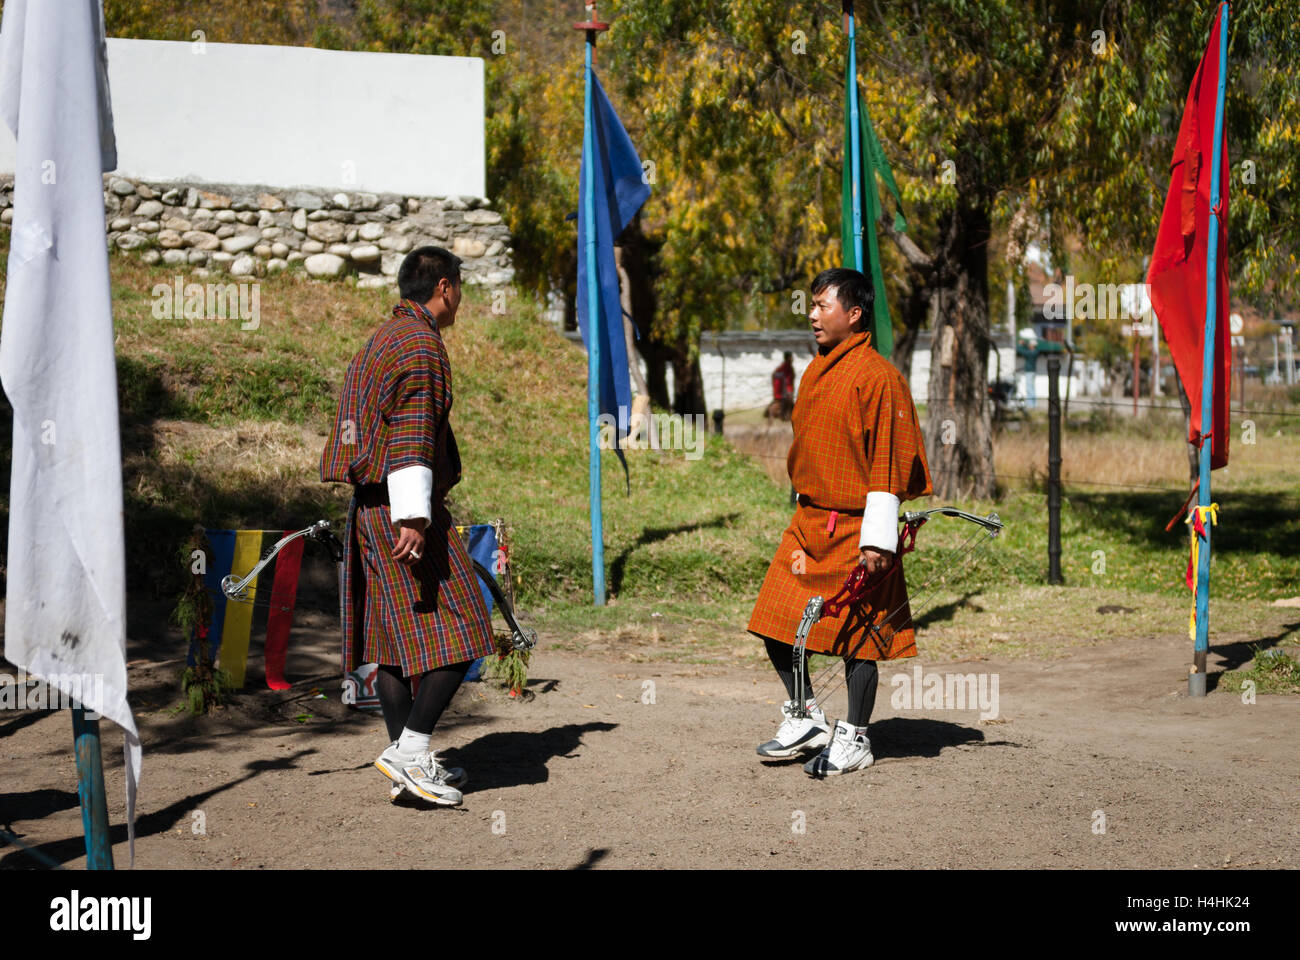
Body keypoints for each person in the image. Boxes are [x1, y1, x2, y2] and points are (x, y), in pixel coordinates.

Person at [320, 245, 496, 806]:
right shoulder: (421, 344)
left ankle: (407, 764)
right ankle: (413, 751)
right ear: (445, 287)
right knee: (468, 625)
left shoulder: (383, 336)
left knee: (395, 644)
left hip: (371, 510)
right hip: (401, 514)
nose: (461, 296)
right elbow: (412, 430)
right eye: (460, 286)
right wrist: (415, 517)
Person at [747, 267, 931, 777]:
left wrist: (879, 538)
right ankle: (807, 716)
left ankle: (855, 737)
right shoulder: (815, 370)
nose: (812, 314)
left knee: (859, 636)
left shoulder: (880, 378)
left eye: (822, 305)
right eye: (812, 304)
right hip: (809, 522)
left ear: (854, 314)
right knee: (774, 620)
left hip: (858, 526)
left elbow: (889, 460)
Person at [768, 351, 796, 421]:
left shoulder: (782, 367)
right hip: (784, 391)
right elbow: (787, 380)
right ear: (789, 358)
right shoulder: (786, 368)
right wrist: (789, 392)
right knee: (786, 404)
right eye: (791, 357)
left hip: (780, 390)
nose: (792, 359)